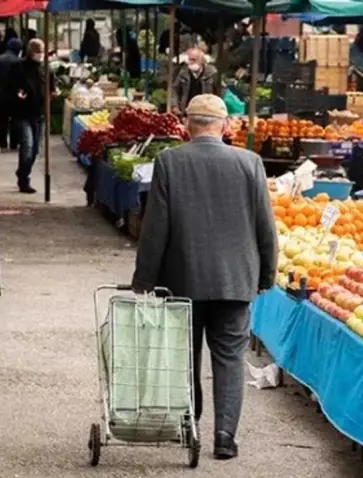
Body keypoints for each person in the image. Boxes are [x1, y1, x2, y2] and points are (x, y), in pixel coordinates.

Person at [131, 94, 277, 460]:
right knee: (229, 358)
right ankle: (225, 436)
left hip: (182, 278)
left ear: (186, 126)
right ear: (226, 126)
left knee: (185, 355)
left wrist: (144, 278)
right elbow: (266, 227)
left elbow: (156, 228)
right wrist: (266, 273)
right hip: (235, 281)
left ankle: (189, 424)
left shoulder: (169, 162)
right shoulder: (250, 163)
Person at [8, 38, 55, 194]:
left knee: (35, 150)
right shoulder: (18, 67)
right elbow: (10, 87)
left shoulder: (46, 69)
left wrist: (52, 95)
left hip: (39, 114)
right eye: (37, 51)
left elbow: (52, 89)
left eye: (41, 52)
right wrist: (17, 94)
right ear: (30, 52)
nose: (40, 55)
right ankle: (23, 179)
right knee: (27, 146)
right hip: (22, 114)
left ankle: (22, 173)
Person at [0, 38, 23, 152]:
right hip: (14, 96)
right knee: (15, 120)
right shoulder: (19, 61)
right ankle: (14, 144)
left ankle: (3, 145)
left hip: (1, 94)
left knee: (2, 120)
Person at [172, 48, 218, 116]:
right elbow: (174, 89)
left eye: (194, 60)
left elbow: (220, 91)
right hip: (186, 112)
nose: (191, 62)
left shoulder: (212, 73)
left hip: (206, 113)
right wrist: (174, 105)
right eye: (189, 59)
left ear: (202, 61)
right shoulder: (183, 73)